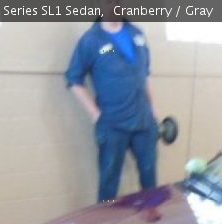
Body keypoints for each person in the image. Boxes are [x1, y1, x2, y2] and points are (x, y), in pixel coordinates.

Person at [65, 1, 160, 203]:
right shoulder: (91, 40)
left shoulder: (137, 34)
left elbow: (146, 74)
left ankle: (152, 222)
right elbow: (74, 80)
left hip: (144, 122)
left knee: (150, 179)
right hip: (112, 125)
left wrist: (153, 109)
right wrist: (95, 114)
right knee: (109, 184)